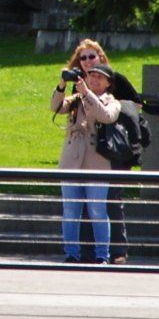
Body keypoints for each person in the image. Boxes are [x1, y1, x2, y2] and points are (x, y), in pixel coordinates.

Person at [64, 39, 139, 263]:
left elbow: (134, 107)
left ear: (101, 58)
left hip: (114, 148)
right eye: (83, 58)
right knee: (82, 207)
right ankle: (84, 252)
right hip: (85, 151)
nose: (87, 62)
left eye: (92, 57)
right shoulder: (78, 85)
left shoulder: (115, 80)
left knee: (110, 202)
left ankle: (116, 252)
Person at [50, 60, 121, 263]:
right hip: (71, 161)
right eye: (92, 76)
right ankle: (71, 253)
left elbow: (106, 116)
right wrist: (62, 85)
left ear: (108, 83)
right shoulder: (77, 98)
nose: (94, 79)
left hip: (97, 163)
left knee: (97, 210)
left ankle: (102, 255)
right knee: (71, 210)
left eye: (99, 77)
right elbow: (55, 106)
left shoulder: (111, 101)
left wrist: (88, 94)